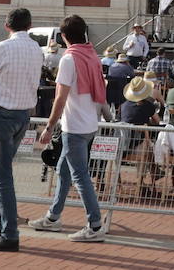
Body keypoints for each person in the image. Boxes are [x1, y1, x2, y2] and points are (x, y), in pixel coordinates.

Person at [31, 15, 108, 244]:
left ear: (63, 37)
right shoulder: (92, 54)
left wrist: (48, 127)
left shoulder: (69, 59)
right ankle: (53, 217)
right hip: (88, 125)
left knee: (79, 176)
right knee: (64, 171)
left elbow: (60, 98)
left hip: (73, 126)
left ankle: (95, 225)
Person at [0, 8, 44, 251]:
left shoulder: (3, 47)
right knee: (2, 171)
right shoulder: (36, 49)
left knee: (2, 175)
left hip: (3, 113)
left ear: (7, 26)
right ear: (30, 25)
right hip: (24, 114)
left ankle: (10, 233)